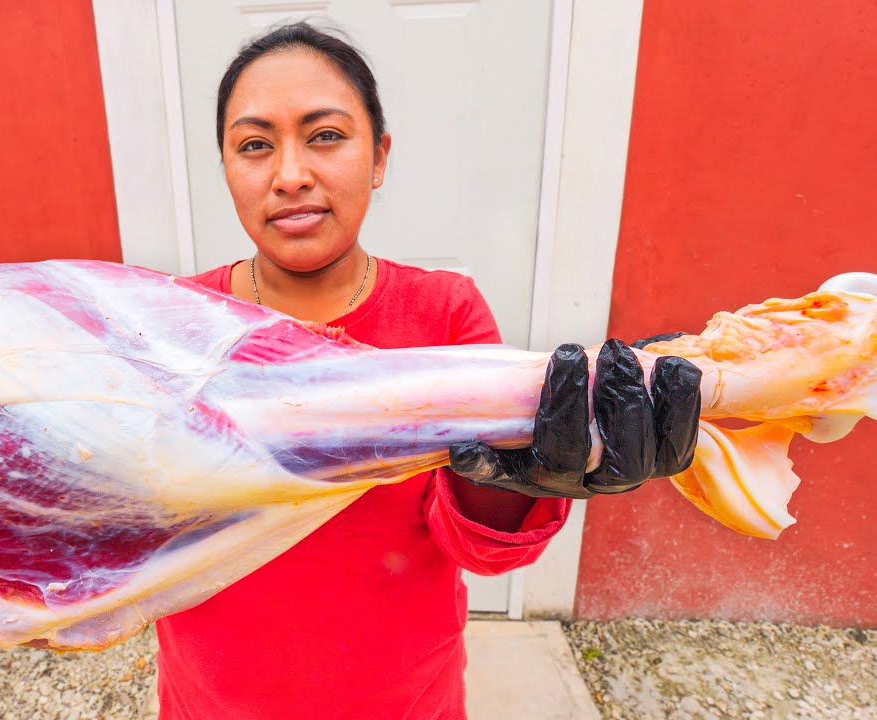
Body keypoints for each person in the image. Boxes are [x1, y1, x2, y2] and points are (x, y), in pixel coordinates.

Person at [154, 22, 701, 720]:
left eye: (325, 136)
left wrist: (520, 478)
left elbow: (483, 545)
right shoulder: (170, 324)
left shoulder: (444, 312)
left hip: (404, 700)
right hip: (211, 703)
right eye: (255, 145)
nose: (290, 175)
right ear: (226, 165)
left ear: (379, 157)